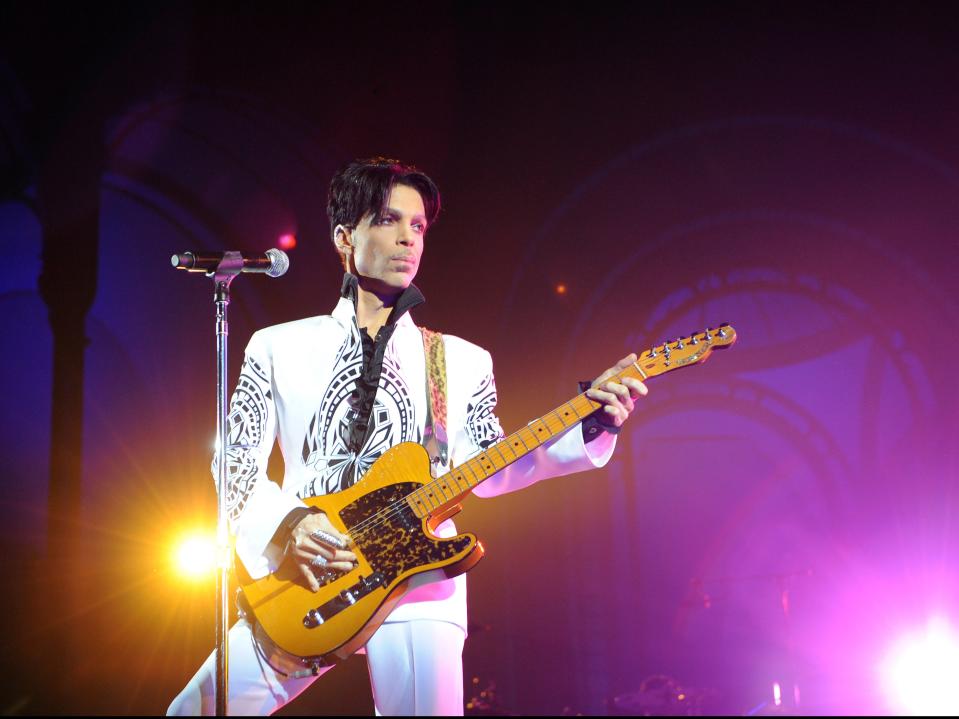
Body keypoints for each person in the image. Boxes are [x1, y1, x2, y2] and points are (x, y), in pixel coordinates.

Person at [167, 157, 647, 716]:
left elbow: (493, 465)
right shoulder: (277, 347)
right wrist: (288, 527)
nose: (408, 239)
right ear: (345, 237)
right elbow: (234, 462)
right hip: (311, 572)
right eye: (389, 220)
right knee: (193, 711)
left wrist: (592, 421)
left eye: (418, 226)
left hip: (419, 580)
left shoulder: (461, 361)